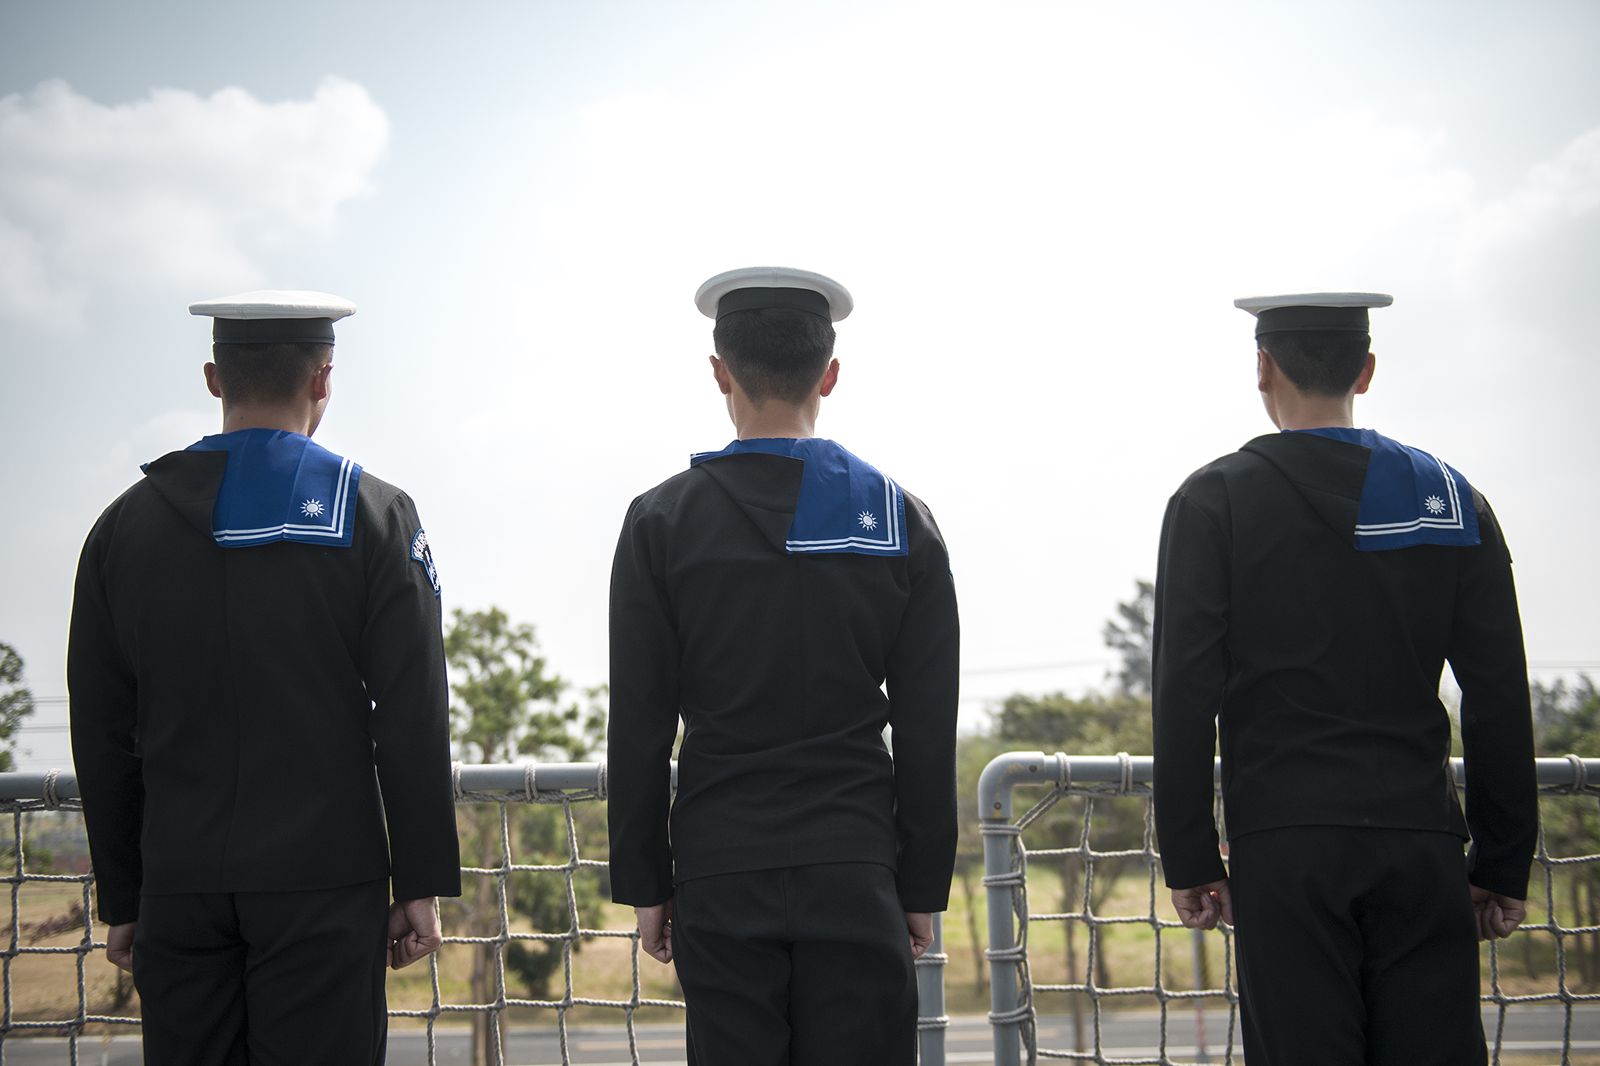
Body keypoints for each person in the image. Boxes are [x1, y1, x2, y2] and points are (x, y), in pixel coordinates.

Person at [68, 290, 462, 1066]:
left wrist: (125, 894)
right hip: (327, 880)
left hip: (177, 885)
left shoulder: (120, 528)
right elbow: (412, 712)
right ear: (323, 379)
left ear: (214, 378)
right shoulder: (376, 515)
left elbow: (101, 729)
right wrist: (419, 881)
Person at [1151, 292, 1538, 1064]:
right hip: (1421, 843)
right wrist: (1503, 860)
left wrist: (1191, 858)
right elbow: (1498, 691)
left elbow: (1184, 694)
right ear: (1365, 370)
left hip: (1282, 846)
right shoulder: (1451, 501)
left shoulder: (1213, 499)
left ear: (1263, 368)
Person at [606, 266, 960, 1065]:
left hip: (719, 868)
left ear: (720, 372)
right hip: (856, 864)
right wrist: (920, 885)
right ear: (829, 375)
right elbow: (928, 729)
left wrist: (646, 883)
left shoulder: (661, 521)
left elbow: (639, 723)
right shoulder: (900, 519)